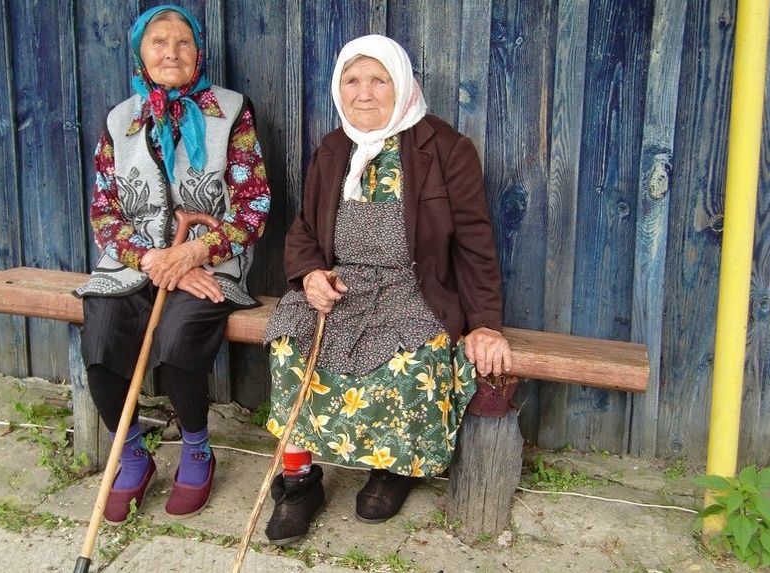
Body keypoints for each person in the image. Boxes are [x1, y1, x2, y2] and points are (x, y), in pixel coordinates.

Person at [261, 34, 511, 545]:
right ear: (338, 88)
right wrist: (311, 275)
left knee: (411, 361)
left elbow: (474, 244)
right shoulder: (333, 149)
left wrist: (485, 323)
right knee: (289, 339)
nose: (364, 92)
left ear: (403, 85)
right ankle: (299, 479)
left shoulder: (444, 148)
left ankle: (390, 469)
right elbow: (306, 229)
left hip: (412, 290)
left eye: (379, 79)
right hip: (341, 288)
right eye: (352, 80)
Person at [75, 5, 270, 522]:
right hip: (132, 263)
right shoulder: (121, 120)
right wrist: (152, 257)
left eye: (183, 42)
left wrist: (193, 253)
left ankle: (197, 449)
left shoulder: (229, 111)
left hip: (209, 263)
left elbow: (253, 206)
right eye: (158, 42)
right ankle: (133, 454)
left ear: (198, 51)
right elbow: (103, 213)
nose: (171, 52)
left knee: (181, 340)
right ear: (141, 54)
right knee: (100, 341)